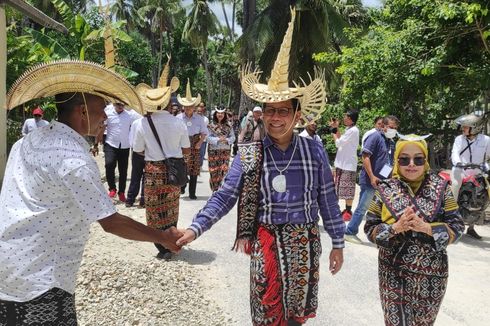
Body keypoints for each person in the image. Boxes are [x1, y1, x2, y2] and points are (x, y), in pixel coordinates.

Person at [177, 9, 344, 325]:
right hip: (265, 238)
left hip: (305, 241)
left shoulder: (314, 150)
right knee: (266, 312)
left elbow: (327, 200)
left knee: (298, 313)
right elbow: (225, 196)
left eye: (283, 111)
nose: (275, 118)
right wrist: (195, 228)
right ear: (262, 114)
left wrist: (337, 243)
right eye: (269, 111)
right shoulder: (250, 152)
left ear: (297, 115)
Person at [0, 60, 182, 325]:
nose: (105, 119)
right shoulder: (73, 158)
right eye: (101, 110)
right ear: (82, 112)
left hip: (7, 266)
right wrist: (162, 236)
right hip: (42, 278)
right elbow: (110, 222)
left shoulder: (24, 142)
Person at [364, 134, 464, 326]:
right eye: (404, 159)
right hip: (393, 272)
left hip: (432, 277)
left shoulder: (442, 189)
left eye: (418, 159)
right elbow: (369, 228)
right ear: (396, 161)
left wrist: (427, 228)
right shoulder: (384, 189)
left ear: (425, 160)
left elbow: (457, 227)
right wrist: (394, 228)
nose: (411, 164)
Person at [134, 65, 190, 259]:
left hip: (152, 170)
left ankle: (161, 246)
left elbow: (138, 150)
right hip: (173, 169)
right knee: (171, 208)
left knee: (154, 209)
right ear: (169, 103)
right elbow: (186, 149)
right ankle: (171, 243)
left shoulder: (142, 123)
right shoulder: (178, 122)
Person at [345, 115, 399, 243]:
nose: (393, 130)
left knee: (382, 210)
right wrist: (372, 176)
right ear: (383, 126)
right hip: (371, 180)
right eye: (391, 127)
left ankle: (382, 235)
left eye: (395, 128)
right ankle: (350, 232)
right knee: (363, 207)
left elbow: (390, 162)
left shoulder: (391, 143)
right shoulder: (374, 137)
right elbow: (365, 157)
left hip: (384, 182)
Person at [450, 113, 490, 239]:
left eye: (466, 127)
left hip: (478, 171)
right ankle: (450, 219)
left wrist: (486, 166)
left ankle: (471, 227)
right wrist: (459, 163)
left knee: (483, 195)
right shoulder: (459, 139)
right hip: (460, 171)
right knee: (454, 188)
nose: (463, 129)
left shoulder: (486, 140)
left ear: (475, 127)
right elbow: (454, 153)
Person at [102, 102, 142, 202]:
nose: (120, 107)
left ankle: (121, 192)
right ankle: (112, 188)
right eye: (118, 104)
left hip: (125, 145)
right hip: (110, 143)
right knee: (109, 164)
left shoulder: (130, 114)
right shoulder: (107, 112)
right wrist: (96, 141)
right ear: (114, 104)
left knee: (123, 170)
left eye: (122, 105)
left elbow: (142, 118)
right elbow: (101, 124)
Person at [177, 79, 208, 199]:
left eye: (190, 107)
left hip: (195, 144)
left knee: (194, 170)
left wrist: (200, 142)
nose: (188, 109)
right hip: (182, 145)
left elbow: (204, 132)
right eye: (186, 107)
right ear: (183, 107)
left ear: (194, 107)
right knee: (183, 167)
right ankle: (182, 187)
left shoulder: (199, 118)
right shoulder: (178, 117)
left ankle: (192, 193)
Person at [331, 110, 360, 222]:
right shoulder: (349, 130)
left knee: (348, 190)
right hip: (342, 163)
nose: (344, 119)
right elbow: (341, 140)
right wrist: (335, 128)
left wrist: (333, 132)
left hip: (348, 165)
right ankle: (342, 211)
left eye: (346, 117)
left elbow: (338, 143)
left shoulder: (353, 130)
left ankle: (348, 212)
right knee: (338, 188)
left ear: (350, 119)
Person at [207, 106, 235, 191]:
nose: (220, 115)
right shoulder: (211, 125)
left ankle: (221, 190)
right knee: (214, 171)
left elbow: (233, 137)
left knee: (223, 170)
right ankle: (214, 189)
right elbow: (208, 138)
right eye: (218, 113)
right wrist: (218, 139)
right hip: (213, 151)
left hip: (225, 151)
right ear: (215, 114)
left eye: (222, 113)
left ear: (224, 114)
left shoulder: (229, 125)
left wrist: (226, 140)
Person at [125, 117, 145, 208]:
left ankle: (143, 199)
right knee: (136, 176)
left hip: (149, 152)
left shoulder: (154, 122)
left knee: (146, 177)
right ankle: (130, 198)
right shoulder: (136, 122)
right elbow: (131, 138)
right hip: (138, 153)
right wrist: (137, 149)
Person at [197, 102, 209, 168]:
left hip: (203, 141)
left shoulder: (206, 119)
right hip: (193, 140)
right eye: (199, 106)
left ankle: (199, 167)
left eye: (202, 106)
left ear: (204, 108)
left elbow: (206, 131)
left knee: (201, 155)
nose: (200, 108)